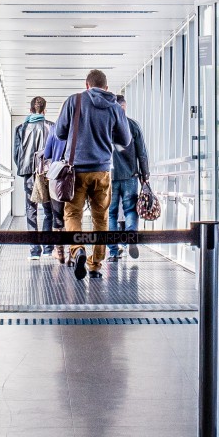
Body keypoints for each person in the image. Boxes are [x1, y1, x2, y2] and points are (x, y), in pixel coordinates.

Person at [54, 69, 131, 280]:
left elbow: (60, 132)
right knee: (101, 219)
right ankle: (95, 266)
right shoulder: (115, 107)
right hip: (102, 171)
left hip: (76, 171)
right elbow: (125, 140)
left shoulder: (74, 101)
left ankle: (78, 249)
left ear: (87, 85)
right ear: (106, 88)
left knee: (72, 214)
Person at [107, 95, 149, 262]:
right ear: (125, 107)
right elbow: (142, 153)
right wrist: (145, 175)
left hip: (109, 176)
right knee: (131, 209)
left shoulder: (106, 125)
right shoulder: (132, 125)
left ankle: (113, 251)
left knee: (111, 213)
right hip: (130, 175)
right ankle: (131, 237)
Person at [13, 96, 54, 260]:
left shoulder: (21, 129)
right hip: (47, 174)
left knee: (31, 211)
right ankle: (48, 248)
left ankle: (34, 250)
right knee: (49, 211)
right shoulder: (52, 127)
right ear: (44, 111)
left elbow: (17, 154)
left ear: (30, 110)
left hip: (29, 173)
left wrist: (24, 169)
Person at [42, 130, 68, 265]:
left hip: (58, 177)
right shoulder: (78, 128)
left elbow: (47, 154)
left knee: (57, 216)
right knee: (73, 215)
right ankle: (75, 250)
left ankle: (60, 252)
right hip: (75, 178)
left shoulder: (55, 131)